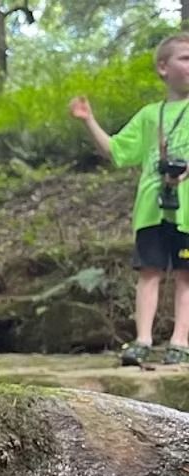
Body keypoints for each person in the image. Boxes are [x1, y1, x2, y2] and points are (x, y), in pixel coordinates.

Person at [72, 33, 189, 366]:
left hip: (188, 211)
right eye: (185, 58)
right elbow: (117, 151)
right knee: (149, 272)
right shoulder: (151, 114)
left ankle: (180, 341)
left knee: (185, 274)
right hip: (152, 209)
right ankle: (143, 340)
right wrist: (88, 121)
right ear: (163, 67)